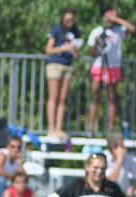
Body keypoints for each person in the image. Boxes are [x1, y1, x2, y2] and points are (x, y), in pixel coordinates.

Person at [86, 5, 136, 134]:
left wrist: (117, 19)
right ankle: (90, 129)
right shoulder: (97, 31)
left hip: (113, 67)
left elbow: (132, 29)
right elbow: (91, 53)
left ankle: (110, 129)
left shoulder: (119, 30)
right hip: (98, 66)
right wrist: (97, 43)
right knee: (95, 97)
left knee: (112, 99)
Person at [45, 9, 83, 139]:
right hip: (55, 65)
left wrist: (75, 52)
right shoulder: (56, 30)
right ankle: (51, 129)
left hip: (67, 66)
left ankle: (59, 128)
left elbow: (78, 56)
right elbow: (48, 49)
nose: (70, 22)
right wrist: (63, 48)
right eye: (67, 20)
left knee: (62, 100)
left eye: (72, 19)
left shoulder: (75, 33)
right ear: (63, 19)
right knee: (53, 98)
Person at [106, 131, 136, 197]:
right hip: (107, 195)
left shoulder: (127, 157)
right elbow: (111, 181)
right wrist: (119, 160)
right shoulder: (104, 158)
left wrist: (133, 190)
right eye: (122, 146)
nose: (124, 148)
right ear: (113, 148)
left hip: (122, 196)